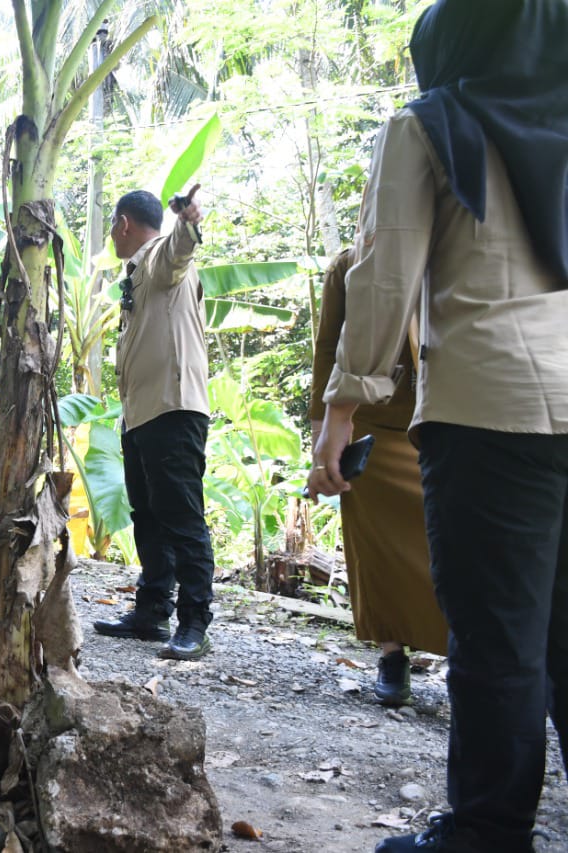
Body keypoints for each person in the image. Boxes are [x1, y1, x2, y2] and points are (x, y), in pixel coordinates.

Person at [308, 2, 568, 849]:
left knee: (496, 642)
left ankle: (485, 833)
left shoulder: (427, 125)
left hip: (491, 412)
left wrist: (340, 411)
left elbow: (383, 279)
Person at [309, 249, 448, 705]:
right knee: (378, 547)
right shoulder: (347, 265)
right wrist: (322, 432)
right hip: (368, 422)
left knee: (449, 542)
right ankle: (392, 654)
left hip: (441, 417)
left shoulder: (444, 250)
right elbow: (328, 346)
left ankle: (464, 654)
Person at [92, 186, 217, 661]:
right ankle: (151, 613)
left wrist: (187, 222)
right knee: (148, 516)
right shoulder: (135, 271)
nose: (112, 235)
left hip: (173, 408)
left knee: (182, 518)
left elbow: (178, 249)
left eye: (112, 226)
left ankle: (193, 622)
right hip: (141, 414)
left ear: (123, 223)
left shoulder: (159, 260)